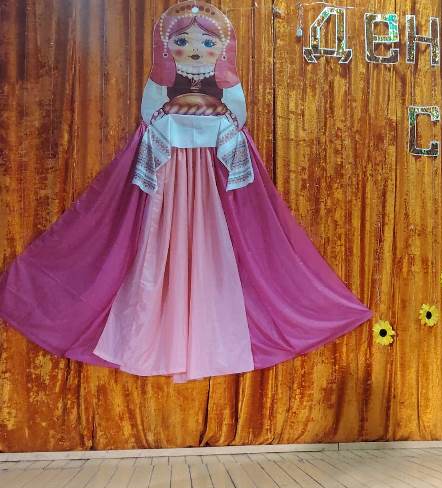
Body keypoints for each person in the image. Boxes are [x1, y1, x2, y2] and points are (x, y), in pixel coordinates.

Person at [0, 1, 371, 382]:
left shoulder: (221, 97)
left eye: (207, 43)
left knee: (219, 244)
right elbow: (155, 118)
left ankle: (191, 334)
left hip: (209, 179)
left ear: (222, 49)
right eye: (182, 41)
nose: (195, 50)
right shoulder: (165, 95)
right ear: (167, 48)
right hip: (169, 177)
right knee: (152, 243)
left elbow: (231, 124)